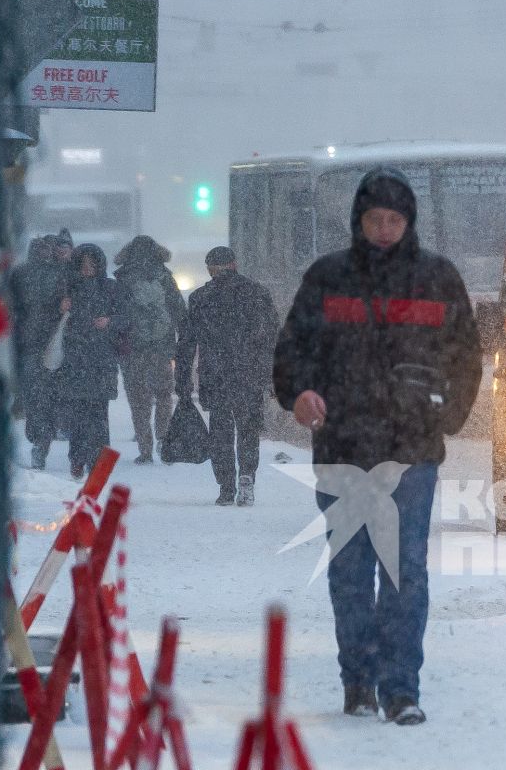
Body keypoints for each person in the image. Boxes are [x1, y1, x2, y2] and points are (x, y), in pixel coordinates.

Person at [272, 167, 482, 725]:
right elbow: (292, 352)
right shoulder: (328, 278)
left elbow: (466, 355)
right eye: (374, 219)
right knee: (350, 569)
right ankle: (358, 682)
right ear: (358, 222)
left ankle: (401, 689)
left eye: (394, 220)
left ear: (408, 222)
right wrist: (300, 394)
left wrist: (449, 414)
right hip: (343, 449)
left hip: (411, 452)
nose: (384, 229)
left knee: (403, 569)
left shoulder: (438, 279)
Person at [179, 246, 279, 507]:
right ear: (234, 264)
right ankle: (247, 475)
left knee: (220, 431)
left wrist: (182, 379)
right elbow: (271, 338)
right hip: (249, 372)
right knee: (248, 429)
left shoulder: (201, 298)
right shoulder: (257, 293)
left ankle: (226, 486)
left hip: (215, 373)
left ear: (210, 268)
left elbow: (188, 342)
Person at [54, 244, 127, 481]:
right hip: (75, 360)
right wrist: (60, 309)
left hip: (101, 360)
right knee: (77, 416)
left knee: (99, 415)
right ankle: (77, 459)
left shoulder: (110, 288)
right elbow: (47, 322)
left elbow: (126, 317)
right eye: (83, 265)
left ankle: (98, 462)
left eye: (91, 264)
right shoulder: (67, 289)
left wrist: (110, 321)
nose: (87, 269)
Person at [113, 234, 186, 464]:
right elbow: (178, 310)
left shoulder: (123, 278)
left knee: (138, 398)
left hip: (132, 348)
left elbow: (117, 315)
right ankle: (164, 439)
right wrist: (182, 341)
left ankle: (145, 448)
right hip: (161, 345)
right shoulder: (165, 277)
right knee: (164, 395)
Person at [7, 235, 69, 468]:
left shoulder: (62, 273)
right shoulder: (23, 274)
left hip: (51, 342)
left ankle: (42, 440)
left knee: (45, 397)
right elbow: (11, 304)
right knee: (40, 398)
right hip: (37, 343)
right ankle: (40, 441)